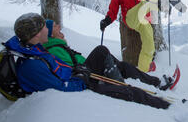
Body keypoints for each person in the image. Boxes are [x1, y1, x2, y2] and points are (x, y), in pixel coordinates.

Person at [4, 13, 174, 109]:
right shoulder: (32, 65)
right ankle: (167, 108)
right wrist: (82, 78)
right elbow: (61, 87)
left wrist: (79, 71)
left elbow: (61, 68)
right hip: (81, 84)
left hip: (80, 76)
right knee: (131, 92)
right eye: (43, 27)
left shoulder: (37, 51)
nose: (47, 28)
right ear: (36, 34)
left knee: (122, 68)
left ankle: (161, 98)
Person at [42, 19, 174, 90]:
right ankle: (119, 84)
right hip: (84, 74)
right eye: (55, 26)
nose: (59, 27)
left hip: (85, 70)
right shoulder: (54, 49)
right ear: (49, 33)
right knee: (101, 50)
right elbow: (68, 68)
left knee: (124, 66)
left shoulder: (59, 45)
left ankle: (157, 83)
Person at [100, 0, 157, 73]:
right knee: (148, 0)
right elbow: (113, 11)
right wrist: (106, 21)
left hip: (142, 20)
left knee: (150, 45)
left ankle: (143, 70)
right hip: (131, 17)